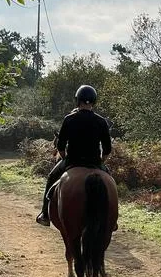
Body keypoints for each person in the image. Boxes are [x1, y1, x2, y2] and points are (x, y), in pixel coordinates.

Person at [36, 84, 111, 226]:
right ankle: (112, 220)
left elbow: (60, 145)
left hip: (72, 161)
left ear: (78, 100)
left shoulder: (69, 119)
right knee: (110, 182)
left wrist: (65, 159)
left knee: (52, 177)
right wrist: (101, 161)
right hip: (94, 162)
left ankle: (45, 214)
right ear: (94, 101)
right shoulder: (101, 121)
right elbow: (107, 149)